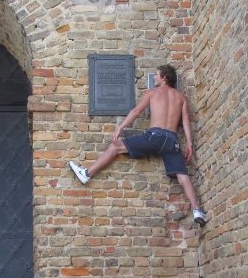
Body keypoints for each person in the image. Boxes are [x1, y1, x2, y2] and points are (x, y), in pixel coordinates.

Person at [69, 64, 208, 226]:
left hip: (154, 136)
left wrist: (120, 127)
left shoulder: (152, 93)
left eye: (156, 75)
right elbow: (185, 122)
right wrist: (189, 143)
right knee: (182, 176)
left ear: (164, 78)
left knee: (115, 147)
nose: (154, 77)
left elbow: (136, 112)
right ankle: (197, 210)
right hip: (171, 141)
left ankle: (87, 173)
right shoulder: (181, 97)